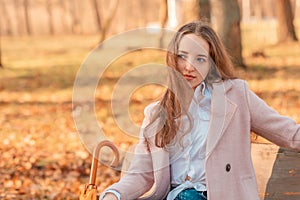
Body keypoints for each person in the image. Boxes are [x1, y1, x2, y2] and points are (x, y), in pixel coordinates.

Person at [100, 21, 300, 200]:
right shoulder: (157, 114)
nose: (189, 67)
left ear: (212, 63)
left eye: (200, 59)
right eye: (182, 57)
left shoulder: (237, 95)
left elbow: (288, 133)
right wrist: (113, 194)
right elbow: (141, 174)